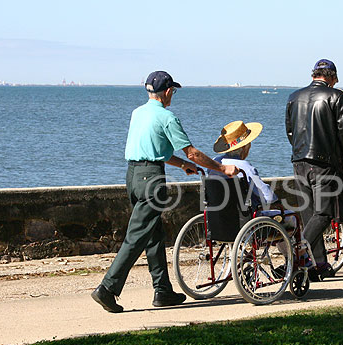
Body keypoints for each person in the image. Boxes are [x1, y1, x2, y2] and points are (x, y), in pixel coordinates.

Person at [92, 71, 239, 313]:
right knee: (137, 235)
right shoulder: (168, 117)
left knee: (154, 234)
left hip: (133, 176)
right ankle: (107, 289)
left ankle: (162, 290)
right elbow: (191, 151)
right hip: (151, 179)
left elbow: (154, 149)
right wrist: (222, 168)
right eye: (174, 91)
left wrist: (182, 165)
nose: (174, 95)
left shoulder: (138, 113)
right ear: (168, 91)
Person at [285, 59, 343, 279]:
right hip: (324, 163)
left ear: (314, 74)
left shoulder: (293, 97)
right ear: (332, 77)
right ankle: (296, 252)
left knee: (309, 216)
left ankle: (317, 265)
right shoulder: (336, 96)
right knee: (324, 214)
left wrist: (300, 152)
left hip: (299, 162)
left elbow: (290, 132)